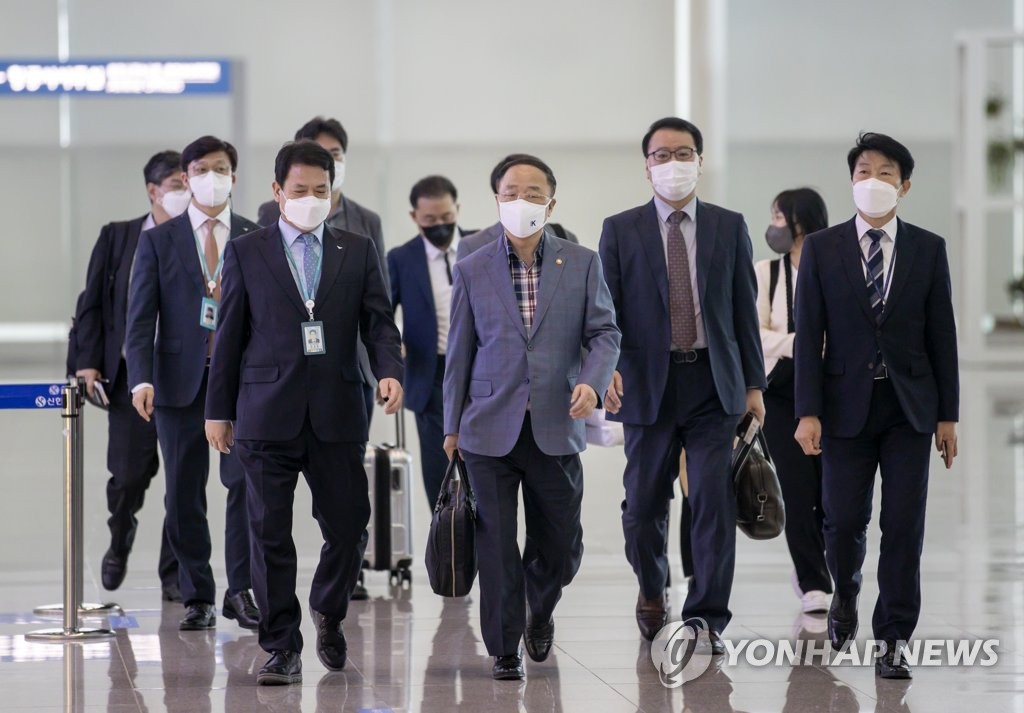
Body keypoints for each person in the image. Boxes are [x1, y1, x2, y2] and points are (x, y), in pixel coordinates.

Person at [205, 140, 404, 686]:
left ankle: (328, 609)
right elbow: (228, 337)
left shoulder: (356, 249)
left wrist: (389, 369)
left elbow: (379, 323)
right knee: (268, 533)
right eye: (300, 190)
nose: (311, 199)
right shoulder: (248, 251)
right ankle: (281, 645)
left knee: (349, 526)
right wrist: (217, 411)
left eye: (321, 190)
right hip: (264, 412)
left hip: (338, 409)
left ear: (332, 191)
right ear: (277, 192)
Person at [443, 154, 621, 680]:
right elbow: (459, 352)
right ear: (497, 199)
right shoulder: (472, 266)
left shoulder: (582, 262)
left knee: (562, 545)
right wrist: (451, 428)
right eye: (511, 191)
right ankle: (503, 648)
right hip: (486, 427)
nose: (523, 199)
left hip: (555, 422)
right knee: (496, 544)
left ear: (551, 201)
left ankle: (538, 610)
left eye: (534, 191)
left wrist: (591, 381)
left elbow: (605, 333)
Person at [793, 132, 959, 679]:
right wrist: (807, 411)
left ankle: (893, 639)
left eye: (885, 172)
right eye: (864, 171)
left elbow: (943, 336)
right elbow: (808, 336)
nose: (873, 181)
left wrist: (948, 416)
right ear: (851, 181)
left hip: (910, 408)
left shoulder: (929, 249)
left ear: (904, 186)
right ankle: (845, 594)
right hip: (844, 408)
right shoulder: (822, 248)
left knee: (904, 525)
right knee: (841, 521)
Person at [599, 117, 766, 650]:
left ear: (700, 158)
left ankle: (706, 618)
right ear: (646, 165)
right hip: (648, 382)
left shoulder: (728, 225)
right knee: (643, 504)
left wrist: (754, 385)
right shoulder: (619, 229)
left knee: (712, 503)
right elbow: (606, 314)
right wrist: (606, 371)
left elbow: (744, 311)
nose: (673, 164)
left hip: (712, 382)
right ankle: (652, 587)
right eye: (662, 154)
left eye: (684, 153)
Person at [125, 135, 261, 632]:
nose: (211, 176)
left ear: (234, 176)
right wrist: (140, 378)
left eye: (220, 167)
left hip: (243, 383)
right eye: (201, 169)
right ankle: (196, 591)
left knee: (243, 484)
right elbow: (140, 320)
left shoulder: (254, 234)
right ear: (185, 178)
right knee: (183, 490)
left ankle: (241, 589)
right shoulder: (159, 240)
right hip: (177, 383)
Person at [70, 150, 185, 601]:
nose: (185, 192)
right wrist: (86, 360)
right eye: (176, 184)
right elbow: (92, 302)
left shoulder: (198, 238)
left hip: (183, 377)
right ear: (153, 191)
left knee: (182, 479)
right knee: (129, 475)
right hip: (129, 375)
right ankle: (120, 539)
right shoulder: (119, 237)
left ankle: (174, 572)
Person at [257, 116, 389, 427]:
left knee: (345, 458)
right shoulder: (270, 212)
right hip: (285, 359)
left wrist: (385, 364)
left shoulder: (366, 221)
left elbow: (380, 295)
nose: (327, 158)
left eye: (335, 152)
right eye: (318, 150)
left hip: (350, 362)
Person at [756, 187, 832, 614]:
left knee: (832, 491)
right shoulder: (765, 272)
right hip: (783, 390)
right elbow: (755, 334)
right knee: (799, 488)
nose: (773, 226)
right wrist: (800, 343)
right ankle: (812, 578)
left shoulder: (836, 267)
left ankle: (821, 561)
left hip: (832, 391)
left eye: (778, 218)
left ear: (800, 222)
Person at [387, 175, 475, 509]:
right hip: (431, 373)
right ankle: (446, 546)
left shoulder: (480, 244)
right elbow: (382, 316)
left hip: (481, 369)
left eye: (446, 218)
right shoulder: (401, 258)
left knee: (482, 468)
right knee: (439, 471)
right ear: (415, 218)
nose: (439, 225)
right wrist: (392, 360)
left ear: (457, 209)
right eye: (430, 220)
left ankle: (482, 549)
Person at [456, 153, 578, 261]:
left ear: (550, 204)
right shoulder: (472, 245)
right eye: (511, 194)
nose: (521, 202)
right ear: (498, 198)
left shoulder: (563, 237)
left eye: (532, 195)